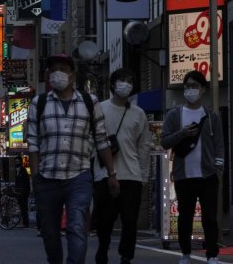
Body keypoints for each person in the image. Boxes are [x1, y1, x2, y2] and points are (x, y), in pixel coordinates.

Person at [25, 53, 119, 264]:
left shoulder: (89, 102)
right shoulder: (38, 104)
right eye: (53, 69)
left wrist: (112, 174)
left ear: (72, 74)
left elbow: (102, 140)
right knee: (49, 232)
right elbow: (33, 144)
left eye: (62, 69)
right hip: (48, 177)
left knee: (77, 225)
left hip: (79, 176)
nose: (57, 73)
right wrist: (36, 178)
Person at [162, 70, 224, 264]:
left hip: (207, 175)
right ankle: (185, 253)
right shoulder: (174, 114)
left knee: (210, 217)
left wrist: (218, 170)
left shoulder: (211, 116)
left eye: (195, 86)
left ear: (203, 90)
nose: (190, 90)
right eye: (187, 86)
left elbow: (219, 146)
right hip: (183, 175)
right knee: (185, 217)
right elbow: (164, 141)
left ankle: (212, 254)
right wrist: (182, 133)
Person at [92, 68, 151, 264]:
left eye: (129, 81)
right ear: (112, 84)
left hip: (132, 174)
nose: (125, 84)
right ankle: (103, 247)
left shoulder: (139, 113)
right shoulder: (99, 108)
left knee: (130, 221)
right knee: (105, 219)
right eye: (122, 80)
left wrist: (144, 176)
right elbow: (92, 142)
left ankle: (126, 256)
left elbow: (144, 147)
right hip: (103, 174)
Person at [14, 155, 32, 228]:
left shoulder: (23, 170)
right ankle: (23, 222)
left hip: (23, 192)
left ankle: (25, 223)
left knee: (23, 207)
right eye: (15, 161)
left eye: (18, 161)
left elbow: (25, 182)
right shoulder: (17, 170)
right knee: (22, 207)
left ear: (21, 162)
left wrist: (24, 191)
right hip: (20, 191)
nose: (16, 163)